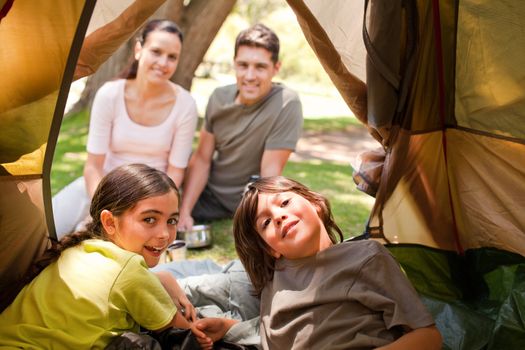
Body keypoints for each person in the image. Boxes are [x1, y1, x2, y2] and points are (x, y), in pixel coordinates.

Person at [0, 164, 217, 349]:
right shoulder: (129, 270)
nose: (164, 234)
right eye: (149, 220)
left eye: (171, 221)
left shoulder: (80, 249)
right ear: (110, 222)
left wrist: (167, 280)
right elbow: (191, 337)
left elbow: (120, 284)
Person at [232, 176, 443, 349]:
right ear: (270, 249)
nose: (278, 216)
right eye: (266, 222)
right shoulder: (273, 284)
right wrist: (230, 329)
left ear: (316, 204)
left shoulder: (365, 257)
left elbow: (428, 337)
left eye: (285, 203)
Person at [53, 19, 198, 238]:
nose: (163, 62)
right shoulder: (109, 94)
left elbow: (175, 172)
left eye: (172, 57)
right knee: (44, 231)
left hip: (151, 197)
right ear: (139, 49)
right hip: (101, 188)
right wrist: (100, 209)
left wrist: (154, 211)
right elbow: (93, 167)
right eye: (156, 51)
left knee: (90, 246)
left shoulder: (185, 104)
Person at [177, 23, 303, 231]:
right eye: (243, 65)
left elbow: (269, 173)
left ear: (276, 68)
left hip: (247, 202)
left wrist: (260, 218)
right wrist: (185, 212)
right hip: (206, 196)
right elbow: (201, 159)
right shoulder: (219, 97)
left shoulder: (286, 103)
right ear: (234, 64)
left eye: (260, 67)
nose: (250, 76)